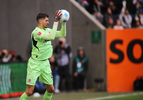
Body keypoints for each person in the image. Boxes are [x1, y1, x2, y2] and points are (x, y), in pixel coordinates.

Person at [20, 10, 67, 100]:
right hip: (35, 64)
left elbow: (62, 34)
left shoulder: (48, 30)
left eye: (49, 21)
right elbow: (51, 37)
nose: (48, 22)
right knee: (29, 91)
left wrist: (63, 23)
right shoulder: (36, 32)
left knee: (51, 89)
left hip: (45, 63)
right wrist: (56, 22)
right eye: (46, 21)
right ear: (40, 21)